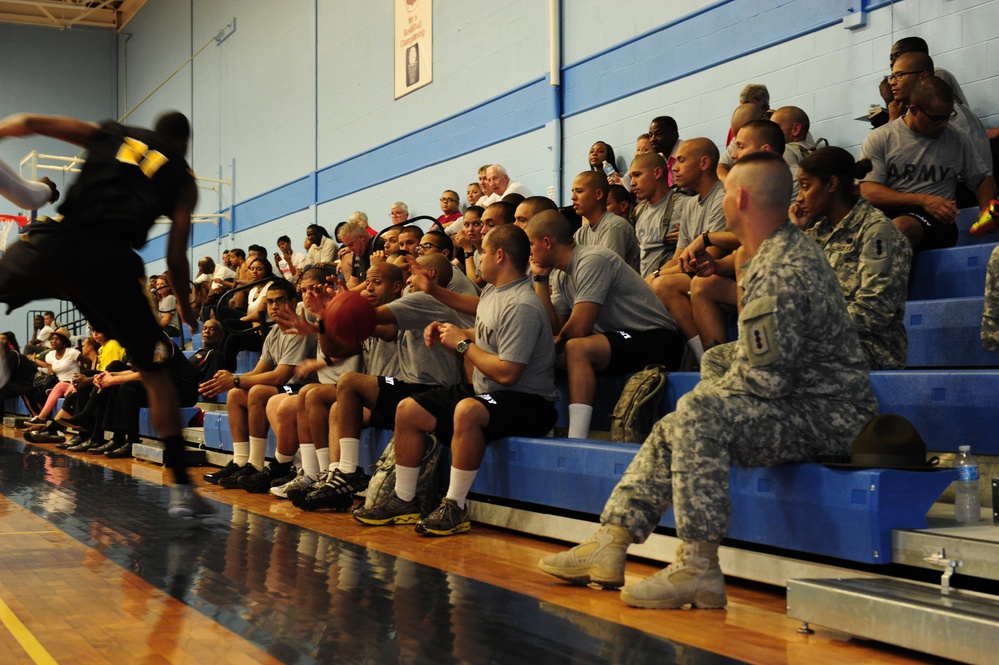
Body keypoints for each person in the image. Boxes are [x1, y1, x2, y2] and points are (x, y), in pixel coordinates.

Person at [538, 152, 878, 609]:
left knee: (698, 413)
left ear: (738, 198)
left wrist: (713, 395)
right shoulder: (767, 254)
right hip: (801, 401)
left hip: (830, 414)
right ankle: (611, 540)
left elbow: (767, 381)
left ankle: (698, 566)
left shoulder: (782, 266)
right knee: (677, 421)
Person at [0, 111, 204, 516]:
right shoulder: (183, 180)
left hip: (58, 242)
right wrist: (184, 304)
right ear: (183, 144)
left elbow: (34, 121)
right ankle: (182, 488)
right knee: (154, 373)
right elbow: (177, 256)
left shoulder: (115, 133)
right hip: (113, 265)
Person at [353, 225, 558, 535]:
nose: (479, 257)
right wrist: (450, 315)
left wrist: (463, 345)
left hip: (529, 402)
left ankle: (455, 506)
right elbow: (482, 313)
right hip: (495, 393)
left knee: (467, 409)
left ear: (499, 256)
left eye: (484, 252)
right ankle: (406, 500)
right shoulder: (496, 291)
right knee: (408, 410)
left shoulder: (522, 305)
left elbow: (507, 372)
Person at [526, 210, 683, 439]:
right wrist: (540, 279)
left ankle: (576, 439)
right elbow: (555, 326)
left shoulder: (592, 260)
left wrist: (552, 344)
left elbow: (578, 328)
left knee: (575, 348)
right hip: (617, 340)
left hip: (656, 339)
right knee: (533, 355)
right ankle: (543, 429)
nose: (528, 252)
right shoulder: (559, 274)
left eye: (531, 244)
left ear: (547, 242)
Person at [789, 147, 912, 370]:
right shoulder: (817, 234)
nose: (799, 197)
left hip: (870, 348)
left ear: (831, 184)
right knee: (721, 358)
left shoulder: (877, 232)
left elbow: (873, 313)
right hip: (817, 341)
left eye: (806, 187)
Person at [199, 279, 316, 490]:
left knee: (258, 391)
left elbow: (280, 376)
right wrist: (232, 378)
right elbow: (258, 371)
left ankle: (256, 465)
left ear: (293, 302)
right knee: (236, 394)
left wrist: (235, 380)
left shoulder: (298, 329)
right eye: (270, 302)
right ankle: (242, 461)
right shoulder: (274, 333)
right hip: (287, 387)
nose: (274, 306)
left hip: (302, 387)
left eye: (280, 300)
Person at [859, 77, 996, 250]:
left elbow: (982, 178)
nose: (944, 124)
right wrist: (923, 200)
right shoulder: (881, 138)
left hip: (936, 222)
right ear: (914, 110)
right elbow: (869, 191)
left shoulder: (958, 138)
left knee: (900, 228)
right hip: (889, 215)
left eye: (948, 117)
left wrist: (986, 211)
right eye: (937, 118)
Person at [647, 138, 727, 362]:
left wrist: (656, 275)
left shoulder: (722, 198)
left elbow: (710, 259)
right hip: (694, 274)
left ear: (703, 163)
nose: (674, 167)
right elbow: (678, 257)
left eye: (681, 160)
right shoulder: (690, 204)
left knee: (664, 284)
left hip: (718, 276)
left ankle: (705, 359)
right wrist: (651, 277)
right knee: (651, 285)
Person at [628, 152, 684, 278]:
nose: (632, 183)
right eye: (631, 177)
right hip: (645, 285)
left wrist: (689, 236)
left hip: (668, 281)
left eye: (637, 175)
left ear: (657, 173)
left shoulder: (684, 204)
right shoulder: (639, 211)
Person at [570, 171, 640, 271]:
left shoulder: (615, 226)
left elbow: (606, 273)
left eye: (579, 191)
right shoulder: (581, 233)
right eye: (573, 192)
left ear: (598, 194)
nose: (573, 197)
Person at [648, 116, 681, 186]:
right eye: (650, 135)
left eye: (658, 134)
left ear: (673, 135)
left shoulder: (686, 152)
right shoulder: (659, 158)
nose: (652, 139)